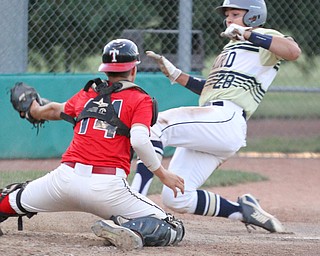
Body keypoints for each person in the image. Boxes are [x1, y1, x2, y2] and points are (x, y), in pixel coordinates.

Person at [131, 0, 301, 233]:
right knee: (176, 197)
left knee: (158, 124)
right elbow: (213, 88)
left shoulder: (261, 36)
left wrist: (248, 33)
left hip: (227, 117)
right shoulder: (230, 48)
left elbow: (293, 51)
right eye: (227, 15)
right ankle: (244, 210)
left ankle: (133, 207)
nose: (229, 19)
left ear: (253, 16)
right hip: (214, 122)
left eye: (235, 14)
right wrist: (178, 75)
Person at [0, 39, 185, 251]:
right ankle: (131, 228)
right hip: (107, 189)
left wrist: (32, 109)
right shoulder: (139, 98)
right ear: (133, 69)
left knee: (9, 200)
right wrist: (163, 174)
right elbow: (140, 140)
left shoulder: (89, 93)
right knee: (172, 226)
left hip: (62, 182)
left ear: (105, 70)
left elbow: (53, 110)